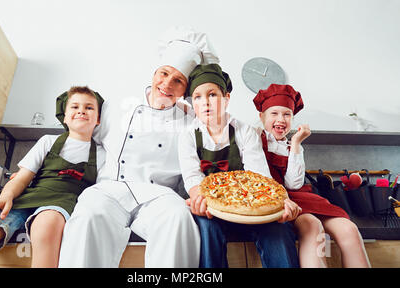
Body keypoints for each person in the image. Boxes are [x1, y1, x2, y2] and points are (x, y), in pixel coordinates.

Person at [58, 26, 219, 267]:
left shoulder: (191, 124)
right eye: (163, 74)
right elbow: (88, 138)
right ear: (155, 72)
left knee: (178, 218)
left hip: (159, 196)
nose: (166, 84)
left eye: (178, 81)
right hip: (111, 189)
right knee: (88, 215)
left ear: (185, 90)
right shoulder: (118, 103)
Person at [0, 86, 106, 268]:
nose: (81, 111)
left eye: (89, 107)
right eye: (74, 106)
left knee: (46, 226)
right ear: (64, 117)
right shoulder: (48, 141)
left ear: (98, 119)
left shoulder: (103, 154)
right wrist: (5, 196)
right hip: (26, 199)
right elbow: (22, 177)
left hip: (61, 204)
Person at [178, 64, 301, 268]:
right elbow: (192, 177)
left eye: (212, 95)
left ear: (226, 98)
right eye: (197, 97)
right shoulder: (188, 136)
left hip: (250, 206)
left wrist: (283, 202)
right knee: (207, 228)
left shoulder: (244, 131)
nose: (205, 103)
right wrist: (198, 196)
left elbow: (260, 177)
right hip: (210, 209)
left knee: (278, 229)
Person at [253, 83, 371, 268]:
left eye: (287, 114)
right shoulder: (252, 138)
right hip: (281, 201)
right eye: (274, 113)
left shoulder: (293, 146)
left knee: (349, 229)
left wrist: (297, 144)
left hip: (304, 197)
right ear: (262, 116)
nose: (281, 119)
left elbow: (294, 183)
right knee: (313, 227)